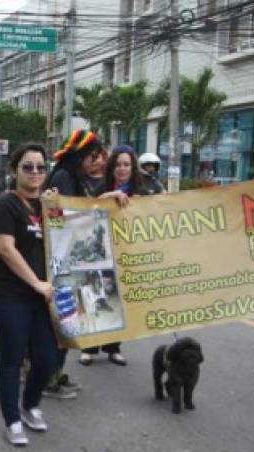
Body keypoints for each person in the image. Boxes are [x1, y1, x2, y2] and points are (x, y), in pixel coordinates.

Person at [0, 143, 56, 446]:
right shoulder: (6, 204)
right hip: (10, 295)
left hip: (44, 298)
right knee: (12, 358)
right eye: (28, 166)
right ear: (15, 170)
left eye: (40, 167)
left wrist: (113, 198)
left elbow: (86, 214)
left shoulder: (49, 205)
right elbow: (5, 247)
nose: (35, 172)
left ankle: (30, 406)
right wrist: (35, 283)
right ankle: (12, 420)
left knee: (47, 359)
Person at [43, 129, 107, 399]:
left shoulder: (71, 177)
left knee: (67, 322)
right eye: (93, 156)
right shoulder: (63, 178)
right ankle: (49, 377)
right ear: (81, 155)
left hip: (68, 259)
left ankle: (53, 373)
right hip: (62, 262)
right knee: (62, 322)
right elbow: (62, 218)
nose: (97, 162)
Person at [78, 144, 152, 367]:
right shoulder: (102, 185)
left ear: (133, 166)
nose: (122, 168)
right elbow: (90, 207)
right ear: (112, 166)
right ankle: (88, 347)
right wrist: (113, 195)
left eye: (127, 164)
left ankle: (113, 347)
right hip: (100, 250)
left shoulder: (144, 187)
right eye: (118, 164)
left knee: (118, 300)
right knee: (94, 294)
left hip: (127, 253)